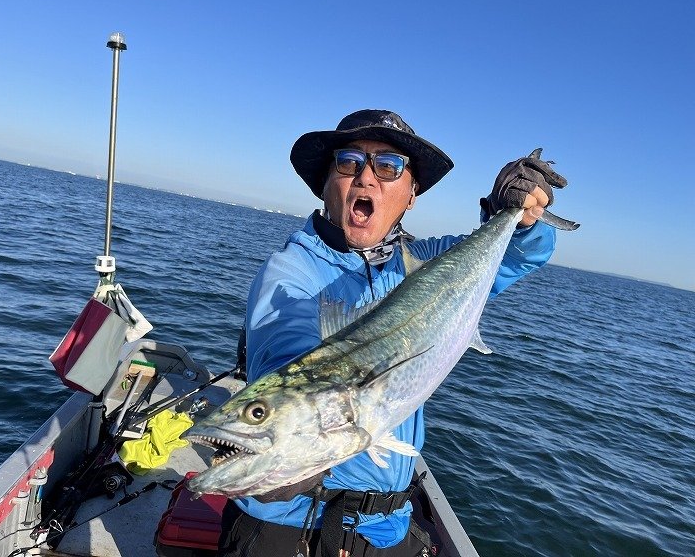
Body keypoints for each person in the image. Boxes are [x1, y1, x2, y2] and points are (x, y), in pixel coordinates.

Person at [219, 110, 568, 557]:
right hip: (288, 528)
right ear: (326, 184)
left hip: (386, 529)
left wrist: (519, 218)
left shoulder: (426, 260)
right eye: (348, 162)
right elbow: (285, 353)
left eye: (388, 167)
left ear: (411, 195)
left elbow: (517, 257)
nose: (366, 179)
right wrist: (292, 442)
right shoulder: (290, 271)